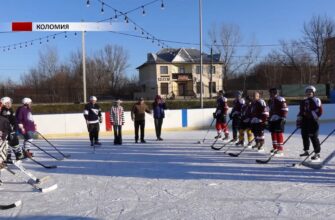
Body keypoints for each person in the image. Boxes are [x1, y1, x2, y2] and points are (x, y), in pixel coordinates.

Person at [296, 85, 323, 162]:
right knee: (304, 135)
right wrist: (299, 119)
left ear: (313, 92)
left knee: (313, 137)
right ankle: (306, 151)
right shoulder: (303, 101)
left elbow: (319, 111)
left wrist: (310, 114)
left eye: (310, 92)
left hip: (313, 121)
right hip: (305, 121)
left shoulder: (316, 100)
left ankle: (317, 153)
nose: (309, 93)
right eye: (307, 92)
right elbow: (301, 112)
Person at [0, 97, 24, 162]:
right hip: (7, 130)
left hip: (10, 129)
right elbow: (6, 121)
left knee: (10, 142)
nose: (10, 104)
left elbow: (13, 120)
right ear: (5, 103)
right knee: (10, 141)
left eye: (10, 103)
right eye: (8, 103)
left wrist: (16, 126)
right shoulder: (5, 111)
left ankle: (11, 156)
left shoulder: (9, 109)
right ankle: (12, 156)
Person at [268, 88, 289, 157]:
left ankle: (280, 149)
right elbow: (270, 110)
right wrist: (268, 118)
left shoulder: (280, 99)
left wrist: (283, 117)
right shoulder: (270, 101)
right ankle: (275, 147)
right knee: (273, 133)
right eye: (270, 93)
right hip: (272, 119)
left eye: (272, 93)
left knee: (278, 133)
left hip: (279, 119)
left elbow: (285, 108)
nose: (271, 94)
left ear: (275, 93)